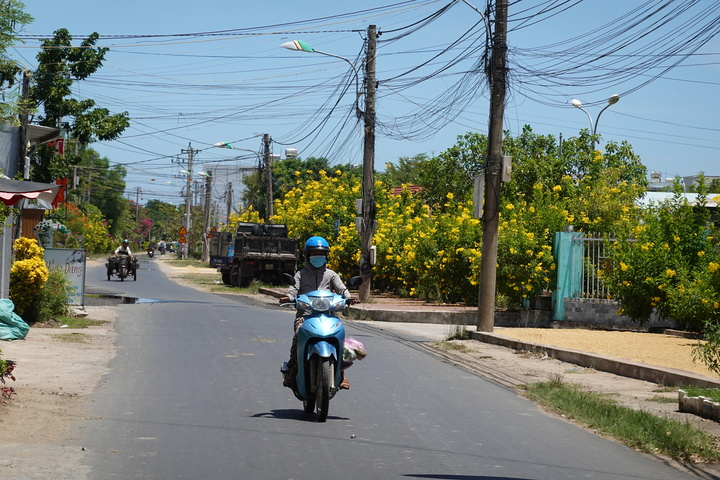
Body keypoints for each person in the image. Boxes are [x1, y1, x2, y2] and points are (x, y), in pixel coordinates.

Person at [281, 236, 354, 390]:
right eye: (314, 253)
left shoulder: (331, 275)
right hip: (305, 316)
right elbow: (293, 290)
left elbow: (341, 289)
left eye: (321, 253)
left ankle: (341, 373)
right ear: (308, 255)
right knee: (298, 337)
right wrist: (289, 297)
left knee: (340, 337)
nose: (318, 256)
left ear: (326, 255)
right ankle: (293, 371)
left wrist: (349, 297)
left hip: (328, 315)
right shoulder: (301, 274)